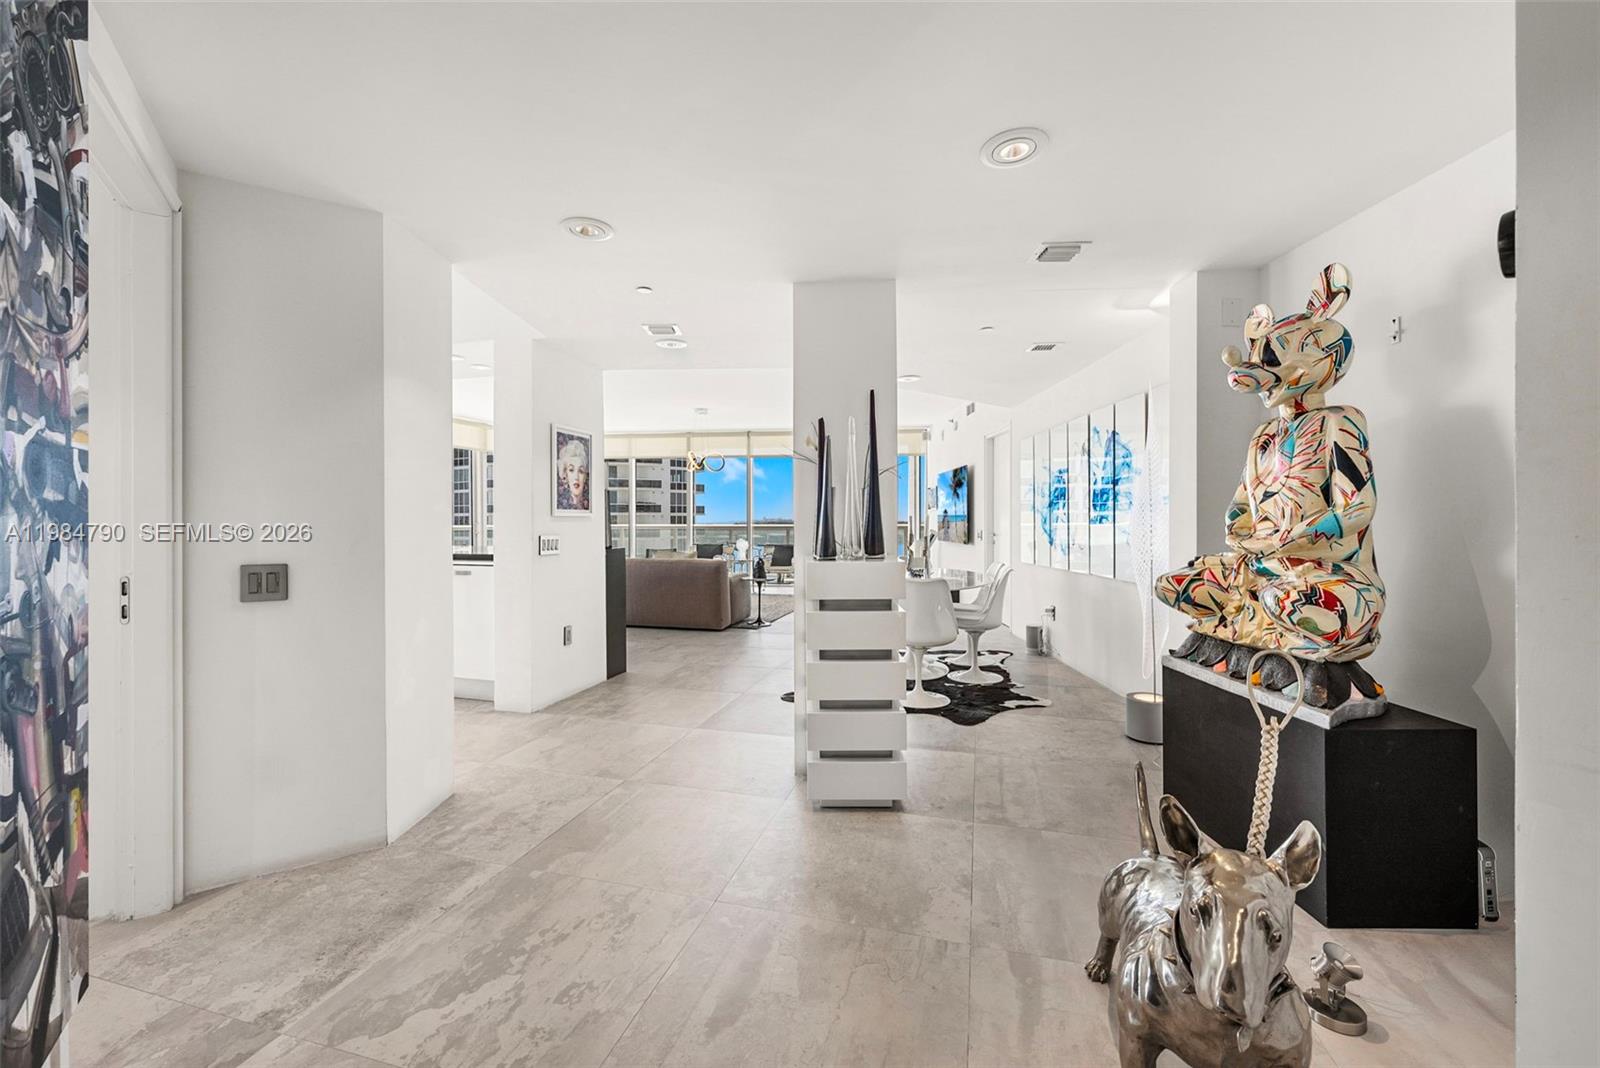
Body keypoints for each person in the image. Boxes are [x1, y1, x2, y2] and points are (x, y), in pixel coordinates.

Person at [556, 436, 590, 511]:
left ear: (584, 477)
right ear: (565, 475)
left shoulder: (588, 506)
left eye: (580, 471)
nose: (576, 477)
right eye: (571, 470)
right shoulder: (562, 506)